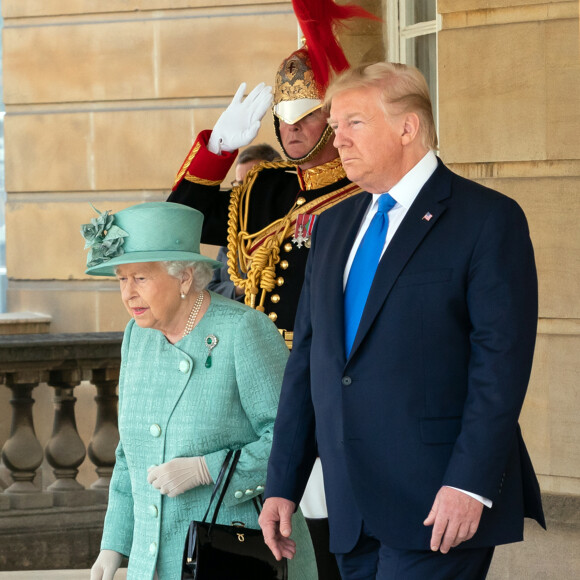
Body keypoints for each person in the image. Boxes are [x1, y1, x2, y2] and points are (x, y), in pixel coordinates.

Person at [259, 62, 546, 580]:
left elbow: (499, 367)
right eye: (335, 124)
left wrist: (470, 483)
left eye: (353, 122)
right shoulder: (332, 225)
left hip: (437, 503)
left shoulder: (486, 219)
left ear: (407, 128)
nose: (336, 137)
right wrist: (282, 481)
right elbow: (309, 363)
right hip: (351, 505)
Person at [167, 41, 364, 580]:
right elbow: (180, 225)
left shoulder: (364, 193)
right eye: (281, 116)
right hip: (248, 382)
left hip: (320, 382)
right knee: (251, 535)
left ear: (334, 116)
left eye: (304, 114)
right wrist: (220, 148)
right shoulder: (264, 186)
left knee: (322, 529)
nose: (289, 128)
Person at [83, 202, 317, 579]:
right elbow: (130, 455)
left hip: (233, 555)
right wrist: (113, 546)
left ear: (185, 277)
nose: (128, 294)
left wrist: (206, 469)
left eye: (140, 278)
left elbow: (292, 437)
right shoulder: (136, 337)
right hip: (153, 562)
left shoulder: (243, 331)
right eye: (121, 279)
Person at [207, 143, 282, 302]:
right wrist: (239, 288)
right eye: (239, 184)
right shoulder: (236, 230)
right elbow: (210, 289)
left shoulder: (290, 227)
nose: (243, 192)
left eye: (252, 183)